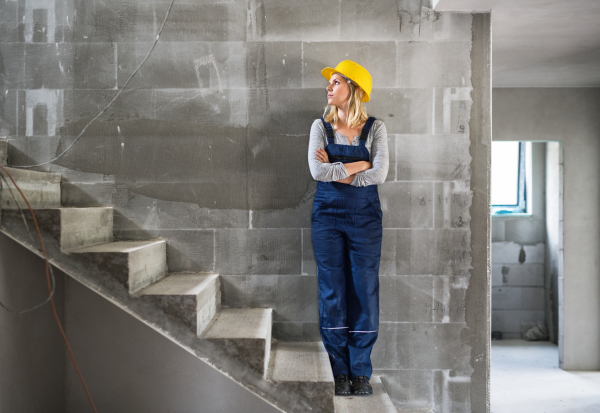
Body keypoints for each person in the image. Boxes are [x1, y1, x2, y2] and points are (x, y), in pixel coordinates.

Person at [307, 60, 389, 396]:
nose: (329, 87)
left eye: (336, 82)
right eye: (330, 83)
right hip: (326, 217)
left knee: (364, 290)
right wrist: (360, 164)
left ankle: (361, 373)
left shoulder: (376, 128)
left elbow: (380, 174)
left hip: (365, 219)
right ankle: (338, 371)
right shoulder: (319, 126)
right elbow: (317, 172)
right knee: (332, 290)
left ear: (352, 89)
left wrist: (338, 168)